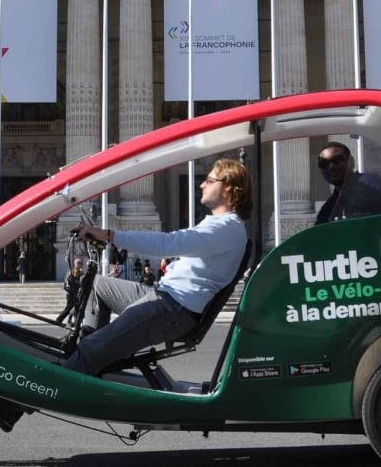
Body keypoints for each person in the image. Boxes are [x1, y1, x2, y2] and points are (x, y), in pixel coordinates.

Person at [63, 158, 250, 377]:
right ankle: (93, 360)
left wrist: (108, 235)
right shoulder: (220, 225)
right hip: (164, 296)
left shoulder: (226, 228)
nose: (202, 185)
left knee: (91, 348)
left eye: (209, 180)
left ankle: (60, 381)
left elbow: (166, 245)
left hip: (173, 307)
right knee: (97, 286)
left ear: (228, 188)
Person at [313, 142, 381, 224]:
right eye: (323, 163)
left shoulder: (374, 186)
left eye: (337, 160)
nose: (331, 167)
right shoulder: (329, 207)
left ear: (351, 162)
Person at [55, 258, 84, 325]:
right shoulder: (73, 272)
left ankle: (77, 322)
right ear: (77, 264)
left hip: (75, 293)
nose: (81, 265)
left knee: (77, 308)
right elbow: (70, 283)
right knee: (69, 308)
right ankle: (59, 319)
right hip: (71, 294)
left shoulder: (79, 272)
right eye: (80, 263)